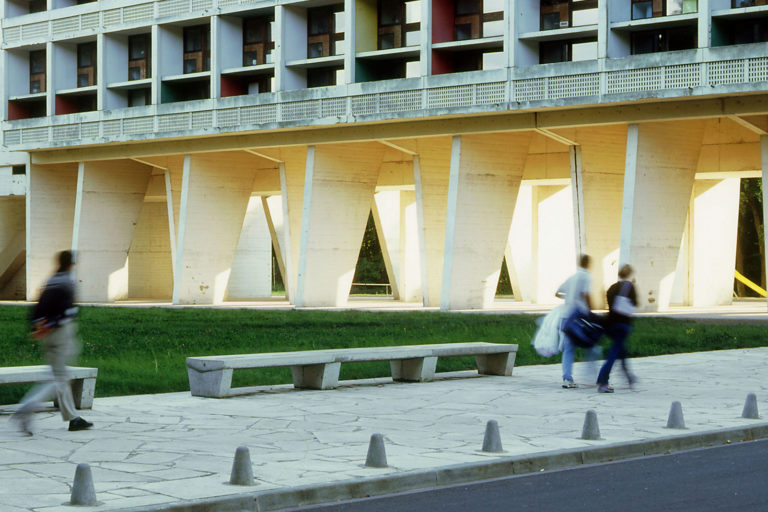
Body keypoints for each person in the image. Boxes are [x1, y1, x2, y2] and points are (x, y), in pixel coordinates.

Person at [11, 250, 93, 435]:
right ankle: (27, 408)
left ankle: (73, 419)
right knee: (58, 378)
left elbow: (38, 309)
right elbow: (68, 312)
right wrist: (53, 325)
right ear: (71, 264)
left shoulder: (51, 281)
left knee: (60, 375)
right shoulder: (68, 283)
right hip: (61, 334)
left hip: (47, 336)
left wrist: (37, 327)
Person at [556, 254, 602, 389]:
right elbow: (586, 294)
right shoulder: (587, 276)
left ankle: (567, 378)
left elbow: (557, 293)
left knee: (569, 348)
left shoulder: (572, 277)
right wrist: (591, 309)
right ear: (588, 264)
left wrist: (569, 297)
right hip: (579, 318)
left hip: (566, 316)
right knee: (591, 345)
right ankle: (592, 377)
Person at [596, 264, 638, 393]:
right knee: (614, 352)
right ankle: (603, 381)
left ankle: (630, 378)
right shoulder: (630, 287)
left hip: (610, 324)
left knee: (621, 349)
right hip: (623, 325)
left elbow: (610, 306)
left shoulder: (612, 288)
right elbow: (635, 304)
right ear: (630, 274)